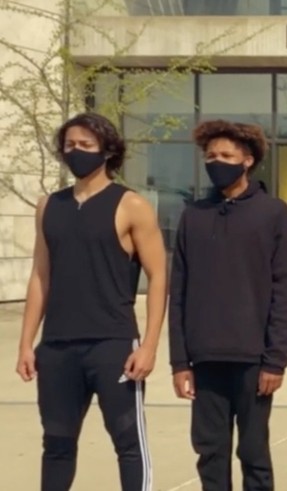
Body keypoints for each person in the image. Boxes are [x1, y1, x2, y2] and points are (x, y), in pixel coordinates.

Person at [14, 112, 166, 491]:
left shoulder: (131, 205)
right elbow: (40, 276)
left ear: (107, 150)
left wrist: (148, 346)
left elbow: (160, 275)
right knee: (57, 445)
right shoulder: (49, 206)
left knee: (128, 444)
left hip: (113, 344)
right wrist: (26, 343)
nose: (76, 152)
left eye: (86, 145)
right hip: (58, 346)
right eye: (70, 145)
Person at [169, 119, 287, 491]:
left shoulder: (273, 213)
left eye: (226, 155)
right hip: (205, 358)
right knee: (210, 452)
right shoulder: (193, 215)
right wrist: (180, 362)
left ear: (247, 160)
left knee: (254, 453)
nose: (216, 161)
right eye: (210, 156)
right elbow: (178, 291)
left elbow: (285, 289)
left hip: (254, 359)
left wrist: (276, 359)